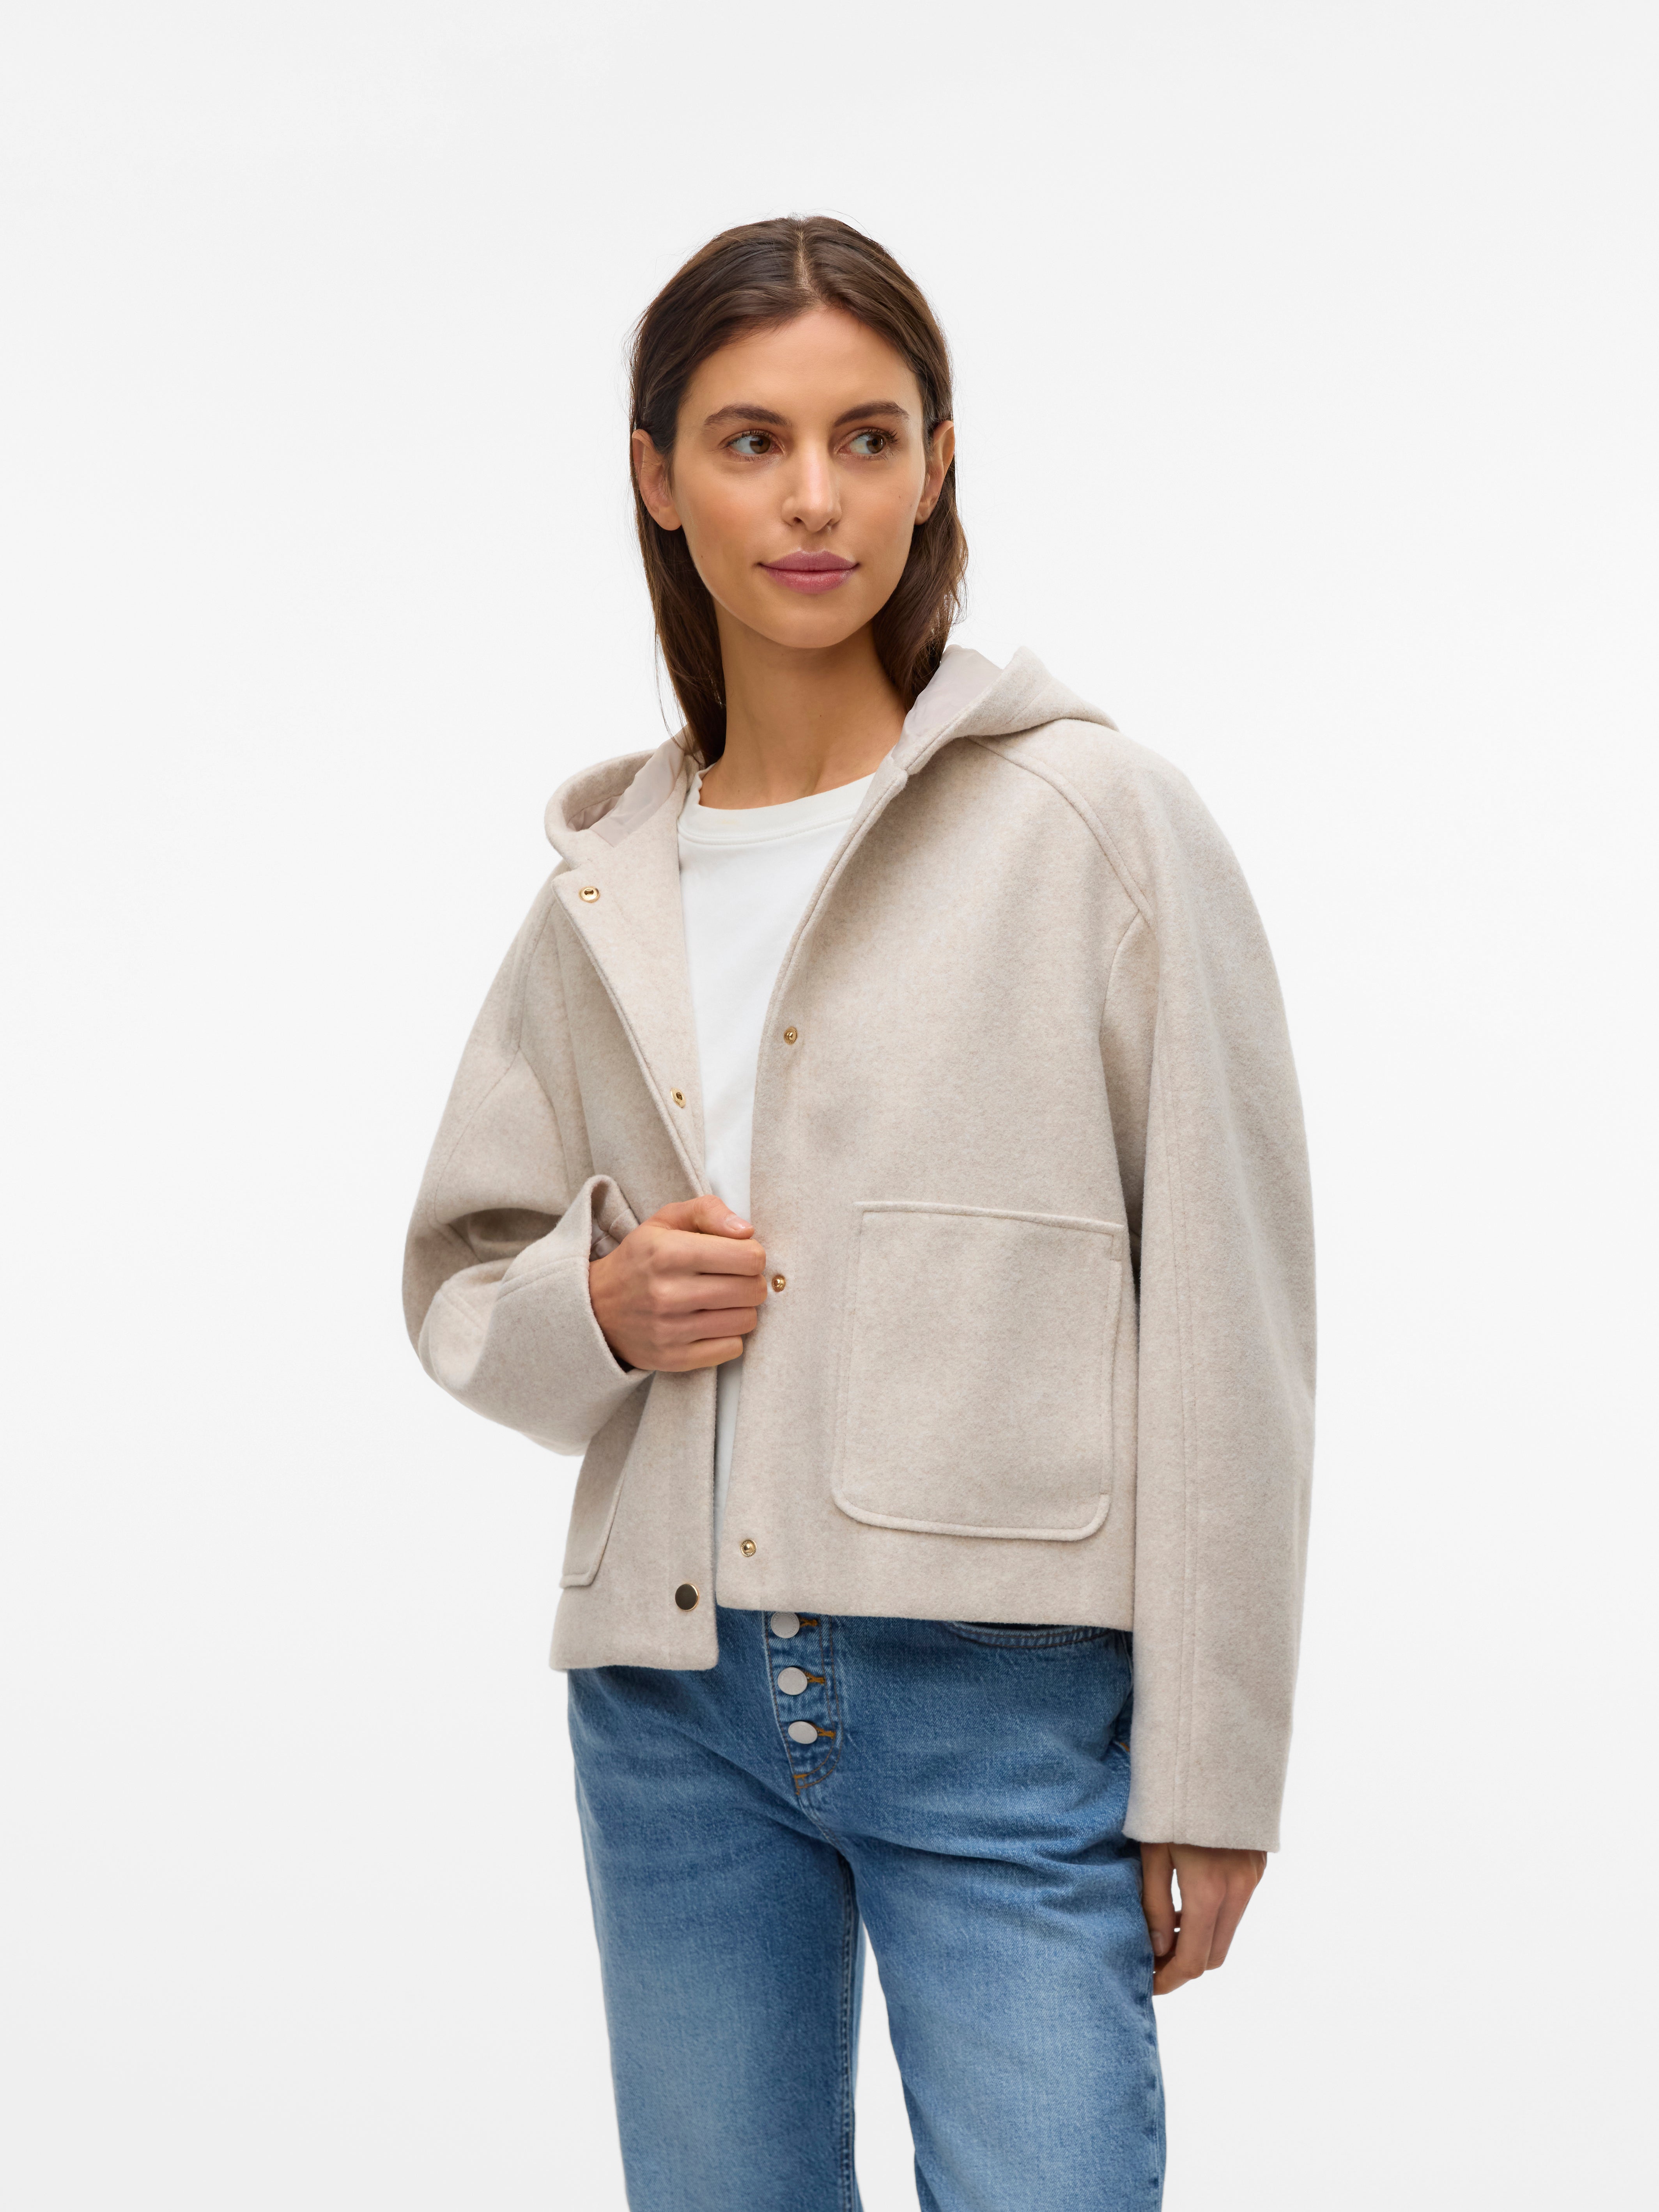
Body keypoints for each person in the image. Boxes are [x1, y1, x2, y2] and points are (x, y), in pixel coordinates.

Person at [402, 215, 1315, 2212]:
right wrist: (602, 1306)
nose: (812, 498)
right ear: (658, 478)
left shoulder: (1096, 824)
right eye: (749, 441)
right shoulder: (605, 883)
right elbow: (463, 1274)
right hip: (666, 1699)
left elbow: (1228, 1313)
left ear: (935, 467)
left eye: (866, 438)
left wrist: (1213, 1764)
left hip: (1005, 1700)